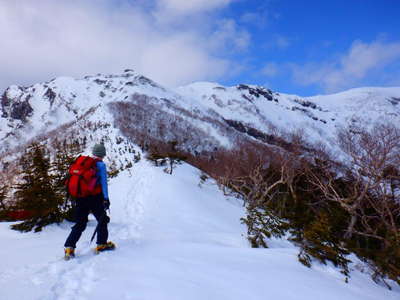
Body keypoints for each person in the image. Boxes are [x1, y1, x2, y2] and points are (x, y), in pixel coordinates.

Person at [64, 143, 115, 259]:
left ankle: (69, 247)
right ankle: (101, 244)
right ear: (103, 154)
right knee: (102, 220)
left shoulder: (84, 164)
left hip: (80, 197)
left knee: (80, 223)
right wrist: (106, 199)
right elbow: (104, 184)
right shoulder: (100, 165)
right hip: (95, 197)